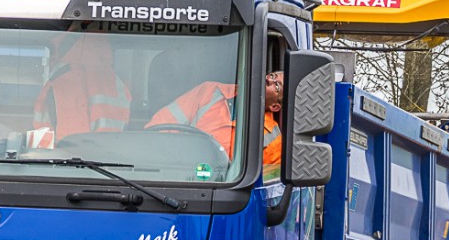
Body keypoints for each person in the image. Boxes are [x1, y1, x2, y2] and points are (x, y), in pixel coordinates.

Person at [145, 70, 283, 165]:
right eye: (272, 76)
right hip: (175, 172)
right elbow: (158, 126)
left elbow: (261, 187)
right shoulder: (209, 91)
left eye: (276, 85)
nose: (269, 79)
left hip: (220, 192)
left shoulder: (273, 140)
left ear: (275, 107)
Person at [31, 34, 131, 148]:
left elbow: (74, 144)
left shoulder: (63, 80)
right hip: (113, 157)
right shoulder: (115, 81)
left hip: (73, 159)